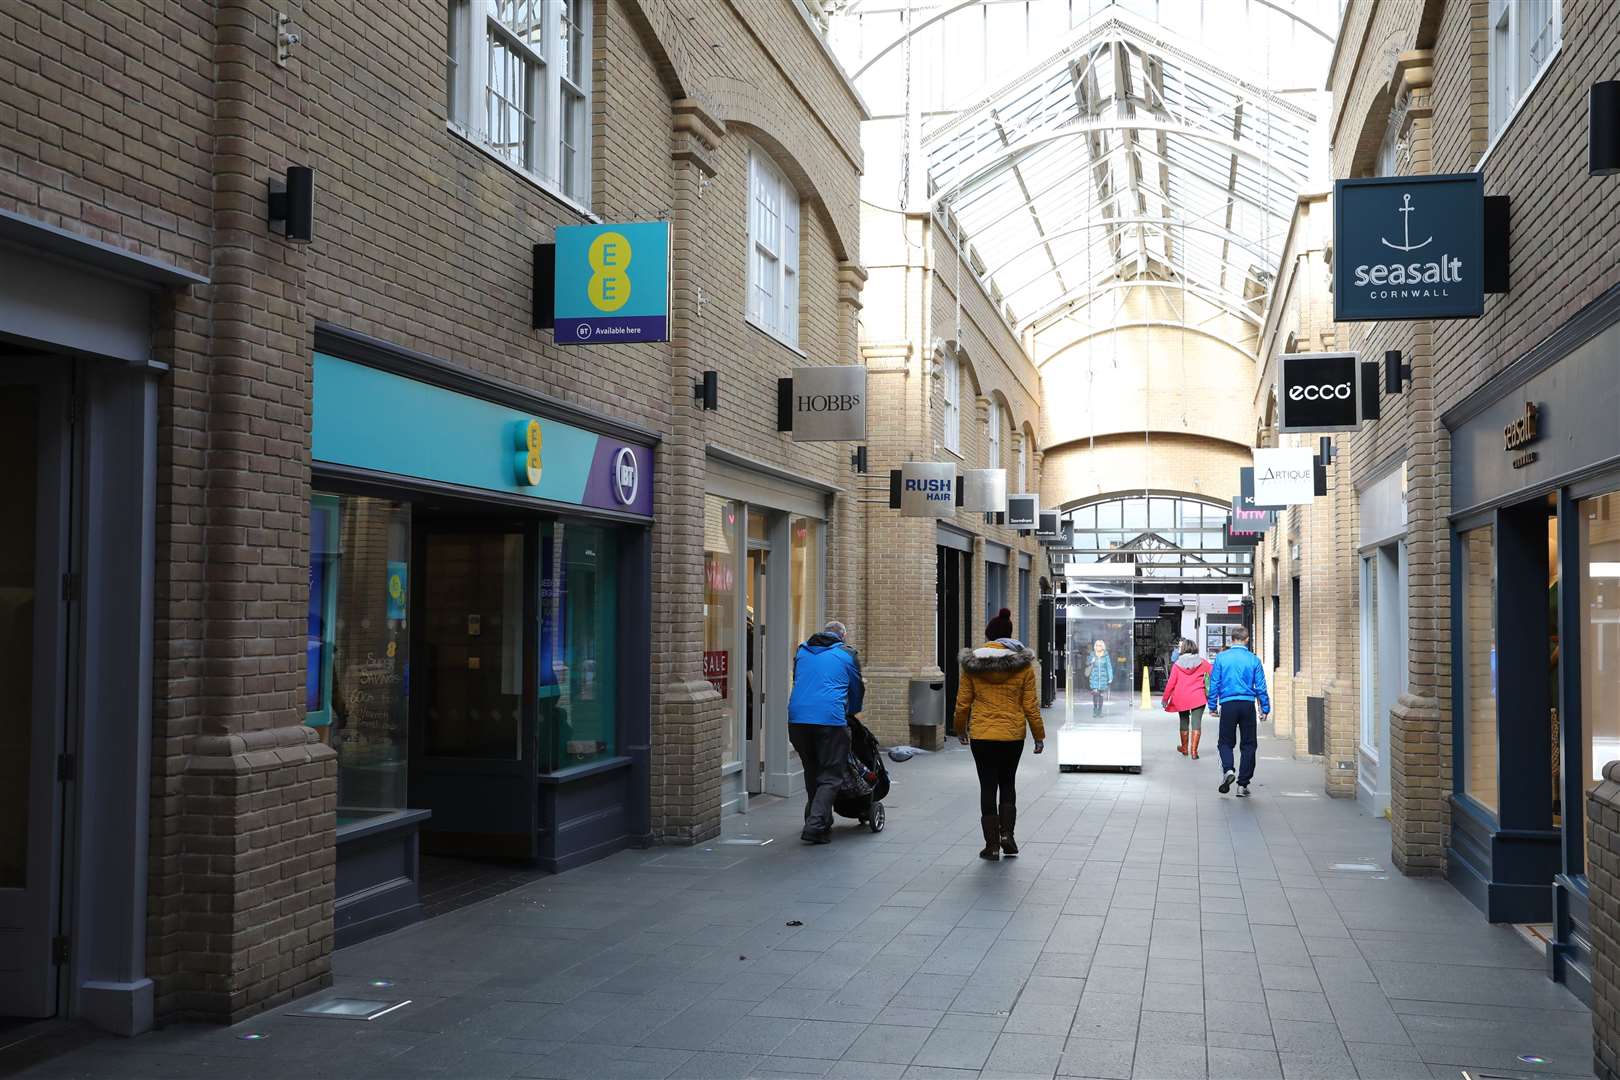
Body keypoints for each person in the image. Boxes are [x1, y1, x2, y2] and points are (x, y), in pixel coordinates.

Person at [956, 608, 1045, 860]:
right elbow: (1030, 705)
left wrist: (960, 729)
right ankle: (1008, 835)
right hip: (1012, 735)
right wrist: (1038, 735)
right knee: (1008, 782)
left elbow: (963, 703)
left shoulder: (972, 665)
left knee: (987, 786)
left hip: (983, 736)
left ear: (989, 637)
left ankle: (992, 845)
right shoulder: (1023, 667)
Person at [787, 620, 865, 844]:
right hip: (829, 720)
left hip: (798, 720)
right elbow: (856, 689)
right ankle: (815, 825)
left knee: (812, 770)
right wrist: (852, 711)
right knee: (831, 774)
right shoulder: (846, 655)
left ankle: (819, 818)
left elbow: (798, 680)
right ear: (843, 637)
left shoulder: (802, 651)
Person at [1206, 626, 1270, 797]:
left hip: (1228, 704)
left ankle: (1228, 769)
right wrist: (1265, 707)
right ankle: (1242, 785)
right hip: (1247, 705)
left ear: (1231, 639)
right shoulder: (1253, 659)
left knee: (1225, 742)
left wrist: (1212, 706)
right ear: (1247, 639)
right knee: (1249, 744)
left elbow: (1214, 684)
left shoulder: (1221, 658)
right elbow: (1261, 687)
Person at [1162, 638, 1212, 759]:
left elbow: (1171, 683)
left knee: (1184, 721)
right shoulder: (1203, 663)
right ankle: (1194, 752)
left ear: (1183, 649)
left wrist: (1165, 698)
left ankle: (1184, 748)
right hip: (1198, 697)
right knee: (1196, 723)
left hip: (1181, 697)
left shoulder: (1177, 665)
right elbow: (1213, 676)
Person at [1086, 639, 1113, 717]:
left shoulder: (1106, 655)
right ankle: (1095, 709)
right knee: (1095, 694)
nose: (1098, 647)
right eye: (1097, 645)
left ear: (1103, 647)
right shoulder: (1092, 654)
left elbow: (1109, 667)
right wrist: (1091, 661)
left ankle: (1099, 711)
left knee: (1100, 695)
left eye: (1100, 645)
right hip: (1094, 677)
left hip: (1103, 678)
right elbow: (1087, 663)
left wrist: (1110, 677)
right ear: (1095, 647)